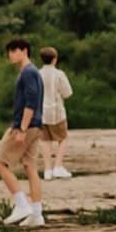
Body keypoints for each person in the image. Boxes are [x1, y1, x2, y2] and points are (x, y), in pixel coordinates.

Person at [0, 38, 45, 228]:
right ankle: (37, 214)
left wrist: (22, 128)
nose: (10, 55)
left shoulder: (29, 72)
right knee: (29, 166)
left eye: (13, 51)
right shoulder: (32, 72)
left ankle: (22, 205)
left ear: (24, 51)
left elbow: (31, 102)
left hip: (26, 126)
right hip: (36, 125)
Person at [38, 46, 74, 180]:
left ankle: (47, 170)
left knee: (44, 140)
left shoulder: (37, 74)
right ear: (55, 59)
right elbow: (67, 93)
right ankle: (58, 166)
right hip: (57, 111)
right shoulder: (59, 74)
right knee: (63, 138)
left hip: (41, 112)